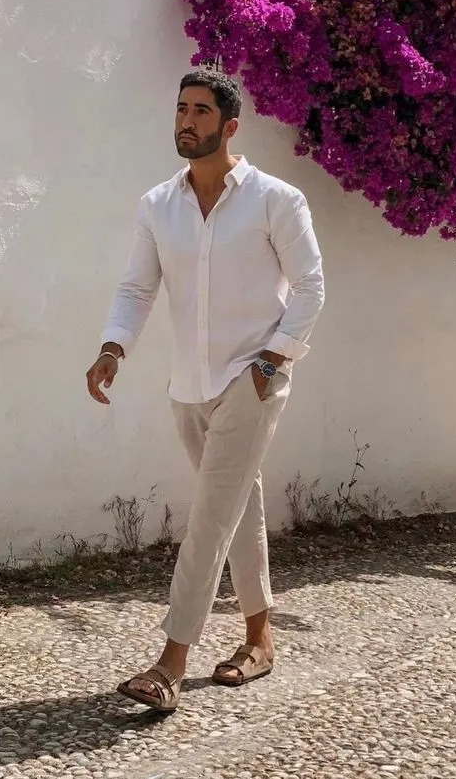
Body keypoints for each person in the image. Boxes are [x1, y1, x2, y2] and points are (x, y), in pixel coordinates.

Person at [86, 69, 325, 711]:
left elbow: (311, 286)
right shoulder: (157, 205)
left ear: (230, 125)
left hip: (254, 378)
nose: (186, 121)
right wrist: (113, 347)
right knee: (237, 505)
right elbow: (137, 287)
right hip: (189, 385)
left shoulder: (276, 199)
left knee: (208, 517)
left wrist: (272, 361)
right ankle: (260, 638)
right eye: (181, 109)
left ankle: (170, 663)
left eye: (200, 111)